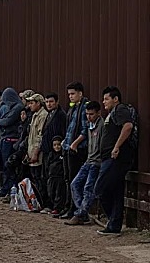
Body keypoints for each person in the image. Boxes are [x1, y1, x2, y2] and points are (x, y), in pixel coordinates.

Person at [94, 86, 134, 236]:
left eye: (106, 98)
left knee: (101, 189)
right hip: (108, 158)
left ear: (115, 99)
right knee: (116, 192)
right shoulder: (111, 114)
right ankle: (114, 225)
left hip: (115, 159)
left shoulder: (120, 110)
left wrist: (116, 147)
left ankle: (113, 221)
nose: (103, 102)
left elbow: (128, 126)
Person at [65, 100, 102, 225]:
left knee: (88, 189)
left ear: (98, 113)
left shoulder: (102, 126)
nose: (88, 117)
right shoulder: (89, 125)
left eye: (91, 114)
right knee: (74, 184)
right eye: (87, 114)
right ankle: (82, 212)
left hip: (96, 162)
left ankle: (80, 214)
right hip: (89, 160)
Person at [57, 82, 89, 219]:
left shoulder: (84, 107)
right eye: (69, 94)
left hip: (77, 149)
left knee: (73, 180)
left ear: (80, 93)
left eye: (73, 93)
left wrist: (75, 144)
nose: (70, 96)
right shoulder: (73, 108)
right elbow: (70, 128)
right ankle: (68, 206)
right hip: (68, 146)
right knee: (67, 178)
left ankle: (75, 209)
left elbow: (85, 129)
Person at [0, 87, 24, 199]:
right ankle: (7, 185)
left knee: (7, 167)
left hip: (10, 140)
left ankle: (6, 189)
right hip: (3, 139)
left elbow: (8, 121)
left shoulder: (17, 107)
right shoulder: (11, 107)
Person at [25, 93, 48, 205]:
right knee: (35, 178)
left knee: (39, 179)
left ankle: (42, 202)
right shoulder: (35, 115)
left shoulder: (43, 116)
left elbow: (40, 137)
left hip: (37, 155)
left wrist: (35, 153)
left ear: (38, 103)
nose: (30, 105)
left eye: (32, 103)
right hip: (31, 152)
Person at [43, 136, 66, 216]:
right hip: (51, 177)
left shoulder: (63, 155)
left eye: (58, 144)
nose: (57, 147)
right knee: (51, 193)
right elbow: (47, 166)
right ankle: (51, 206)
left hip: (59, 177)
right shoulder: (51, 155)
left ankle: (58, 208)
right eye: (55, 145)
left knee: (59, 194)